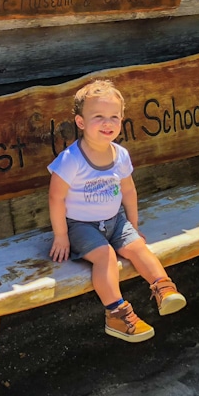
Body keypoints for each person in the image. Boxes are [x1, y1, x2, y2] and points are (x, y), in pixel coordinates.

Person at [48, 79, 186, 342]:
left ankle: (163, 287)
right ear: (81, 122)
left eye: (114, 116)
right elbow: (56, 198)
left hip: (116, 221)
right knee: (106, 256)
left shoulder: (120, 154)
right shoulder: (71, 160)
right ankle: (117, 314)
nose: (107, 123)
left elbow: (129, 191)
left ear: (121, 119)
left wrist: (132, 224)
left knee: (137, 248)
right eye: (98, 116)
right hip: (80, 226)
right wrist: (61, 235)